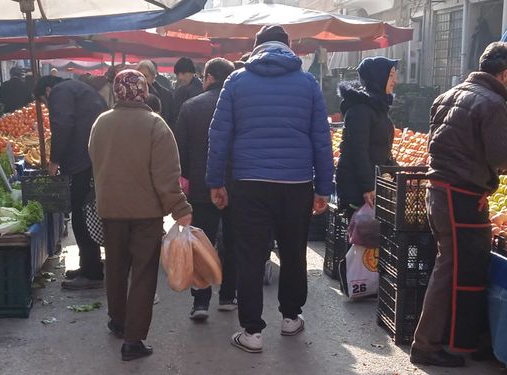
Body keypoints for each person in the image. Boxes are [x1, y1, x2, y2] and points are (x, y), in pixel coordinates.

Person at [206, 25, 334, 353]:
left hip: (248, 183)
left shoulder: (236, 81)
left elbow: (218, 135)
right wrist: (323, 187)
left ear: (256, 47)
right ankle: (291, 317)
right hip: (296, 184)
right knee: (293, 250)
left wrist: (215, 182)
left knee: (250, 253)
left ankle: (252, 332)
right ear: (289, 48)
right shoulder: (307, 83)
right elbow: (322, 137)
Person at [410, 42, 507, 367]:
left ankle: (467, 340)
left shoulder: (448, 95)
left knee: (467, 267)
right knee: (452, 268)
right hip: (459, 197)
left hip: (442, 191)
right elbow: (501, 157)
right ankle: (426, 345)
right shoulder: (493, 104)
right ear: (504, 74)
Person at [89, 70, 192, 361]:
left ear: (118, 92)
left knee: (116, 269)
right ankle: (133, 340)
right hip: (146, 214)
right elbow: (167, 175)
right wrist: (180, 209)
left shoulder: (101, 122)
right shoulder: (155, 125)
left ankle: (117, 320)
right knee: (143, 274)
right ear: (143, 92)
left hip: (110, 210)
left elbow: (95, 158)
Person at [175, 57, 238, 320]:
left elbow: (181, 151)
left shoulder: (190, 106)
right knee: (234, 243)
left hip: (201, 188)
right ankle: (227, 296)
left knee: (201, 243)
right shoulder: (240, 106)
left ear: (209, 77)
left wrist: (186, 180)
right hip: (237, 187)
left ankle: (200, 302)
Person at [34, 75, 108, 290]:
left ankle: (92, 272)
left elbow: (62, 123)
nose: (47, 106)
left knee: (80, 213)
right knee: (86, 211)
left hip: (81, 160)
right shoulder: (80, 88)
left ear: (47, 90)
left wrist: (55, 159)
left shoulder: (60, 91)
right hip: (92, 155)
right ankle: (89, 265)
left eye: (44, 102)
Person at [335, 57, 398, 217]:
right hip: (357, 187)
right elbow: (359, 151)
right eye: (390, 75)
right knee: (361, 237)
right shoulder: (361, 110)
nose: (394, 80)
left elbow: (380, 148)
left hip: (372, 183)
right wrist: (367, 187)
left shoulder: (377, 107)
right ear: (379, 77)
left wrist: (396, 170)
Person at [137, 60, 173, 126]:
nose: (142, 80)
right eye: (140, 76)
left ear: (153, 77)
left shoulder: (166, 96)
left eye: (145, 76)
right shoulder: (132, 94)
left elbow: (169, 121)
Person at [171, 57, 203, 126]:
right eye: (178, 75)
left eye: (183, 73)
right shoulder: (180, 90)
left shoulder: (201, 89)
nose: (180, 77)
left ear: (192, 72)